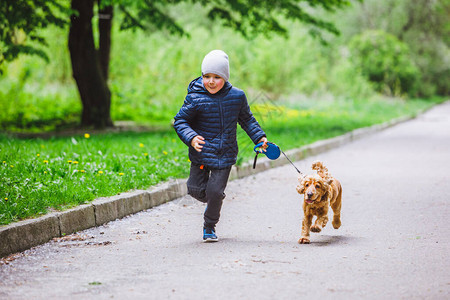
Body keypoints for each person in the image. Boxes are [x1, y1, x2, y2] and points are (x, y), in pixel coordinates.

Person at [173, 50, 268, 242]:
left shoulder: (237, 97)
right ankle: (214, 199)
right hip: (201, 153)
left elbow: (247, 120)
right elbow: (180, 121)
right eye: (206, 76)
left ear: (225, 77)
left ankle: (209, 226)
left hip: (225, 154)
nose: (211, 81)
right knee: (194, 189)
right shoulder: (195, 97)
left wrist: (260, 138)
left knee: (215, 192)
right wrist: (191, 138)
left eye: (217, 77)